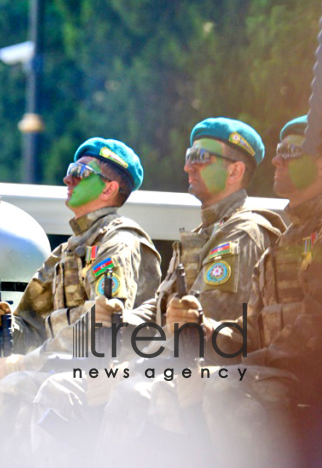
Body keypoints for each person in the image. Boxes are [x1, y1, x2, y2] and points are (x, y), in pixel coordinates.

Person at [28, 117, 285, 468]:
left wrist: (126, 363)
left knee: (122, 391)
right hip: (171, 365)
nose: (187, 165)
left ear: (235, 171)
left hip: (205, 373)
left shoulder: (243, 233)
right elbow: (158, 310)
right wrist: (117, 321)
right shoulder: (204, 232)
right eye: (188, 155)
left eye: (200, 157)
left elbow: (195, 326)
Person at [94, 115, 322, 468]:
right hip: (257, 373)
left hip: (311, 387)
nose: (277, 159)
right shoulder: (283, 241)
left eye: (290, 151)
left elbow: (315, 333)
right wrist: (123, 321)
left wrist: (230, 362)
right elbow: (249, 330)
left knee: (176, 387)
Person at [0, 137, 162, 468]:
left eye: (79, 172)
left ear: (109, 189)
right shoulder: (65, 254)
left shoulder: (119, 243)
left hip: (100, 379)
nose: (67, 178)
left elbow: (101, 328)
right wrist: (3, 326)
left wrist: (21, 365)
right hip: (49, 372)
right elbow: (29, 327)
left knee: (17, 386)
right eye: (70, 170)